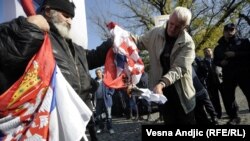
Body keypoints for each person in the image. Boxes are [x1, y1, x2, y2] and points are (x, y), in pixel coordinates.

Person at [0, 0, 113, 140]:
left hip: (79, 119)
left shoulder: (75, 48)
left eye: (71, 17)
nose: (70, 22)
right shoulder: (34, 33)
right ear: (48, 11)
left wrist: (114, 42)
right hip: (46, 123)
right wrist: (28, 29)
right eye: (65, 15)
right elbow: (6, 53)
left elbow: (93, 57)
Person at [132, 7, 196, 125]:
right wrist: (122, 36)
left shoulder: (188, 43)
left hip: (181, 94)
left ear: (184, 27)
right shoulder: (155, 33)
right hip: (161, 94)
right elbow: (139, 42)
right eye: (171, 23)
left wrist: (161, 84)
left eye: (178, 26)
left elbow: (179, 68)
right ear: (169, 19)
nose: (172, 28)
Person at [214, 23, 250, 125]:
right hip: (228, 75)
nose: (229, 32)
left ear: (235, 31)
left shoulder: (244, 42)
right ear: (224, 32)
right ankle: (234, 117)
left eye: (232, 30)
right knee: (229, 97)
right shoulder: (218, 47)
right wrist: (220, 63)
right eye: (227, 30)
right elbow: (215, 61)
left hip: (244, 73)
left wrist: (235, 54)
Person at [195, 48, 223, 119]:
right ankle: (218, 114)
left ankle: (231, 112)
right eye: (205, 52)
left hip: (220, 81)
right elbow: (201, 73)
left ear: (211, 51)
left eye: (208, 51)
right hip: (210, 83)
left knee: (226, 97)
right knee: (214, 99)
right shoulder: (202, 62)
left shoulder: (217, 59)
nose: (207, 52)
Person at [94, 68, 115, 135]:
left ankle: (110, 128)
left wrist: (110, 93)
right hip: (98, 100)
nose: (98, 74)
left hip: (106, 100)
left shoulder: (106, 79)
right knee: (99, 116)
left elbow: (112, 86)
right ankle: (101, 128)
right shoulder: (95, 81)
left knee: (108, 115)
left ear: (102, 73)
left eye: (99, 72)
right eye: (97, 73)